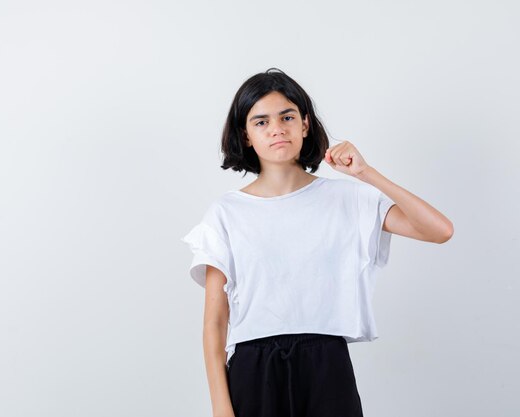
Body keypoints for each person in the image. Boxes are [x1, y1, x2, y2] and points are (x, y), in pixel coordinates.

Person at [180, 68, 453, 417]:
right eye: (261, 122)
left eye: (287, 116)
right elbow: (214, 322)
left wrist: (365, 173)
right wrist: (221, 406)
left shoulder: (348, 198)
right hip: (253, 369)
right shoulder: (226, 213)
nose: (277, 128)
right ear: (245, 135)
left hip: (326, 365)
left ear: (305, 124)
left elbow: (439, 230)